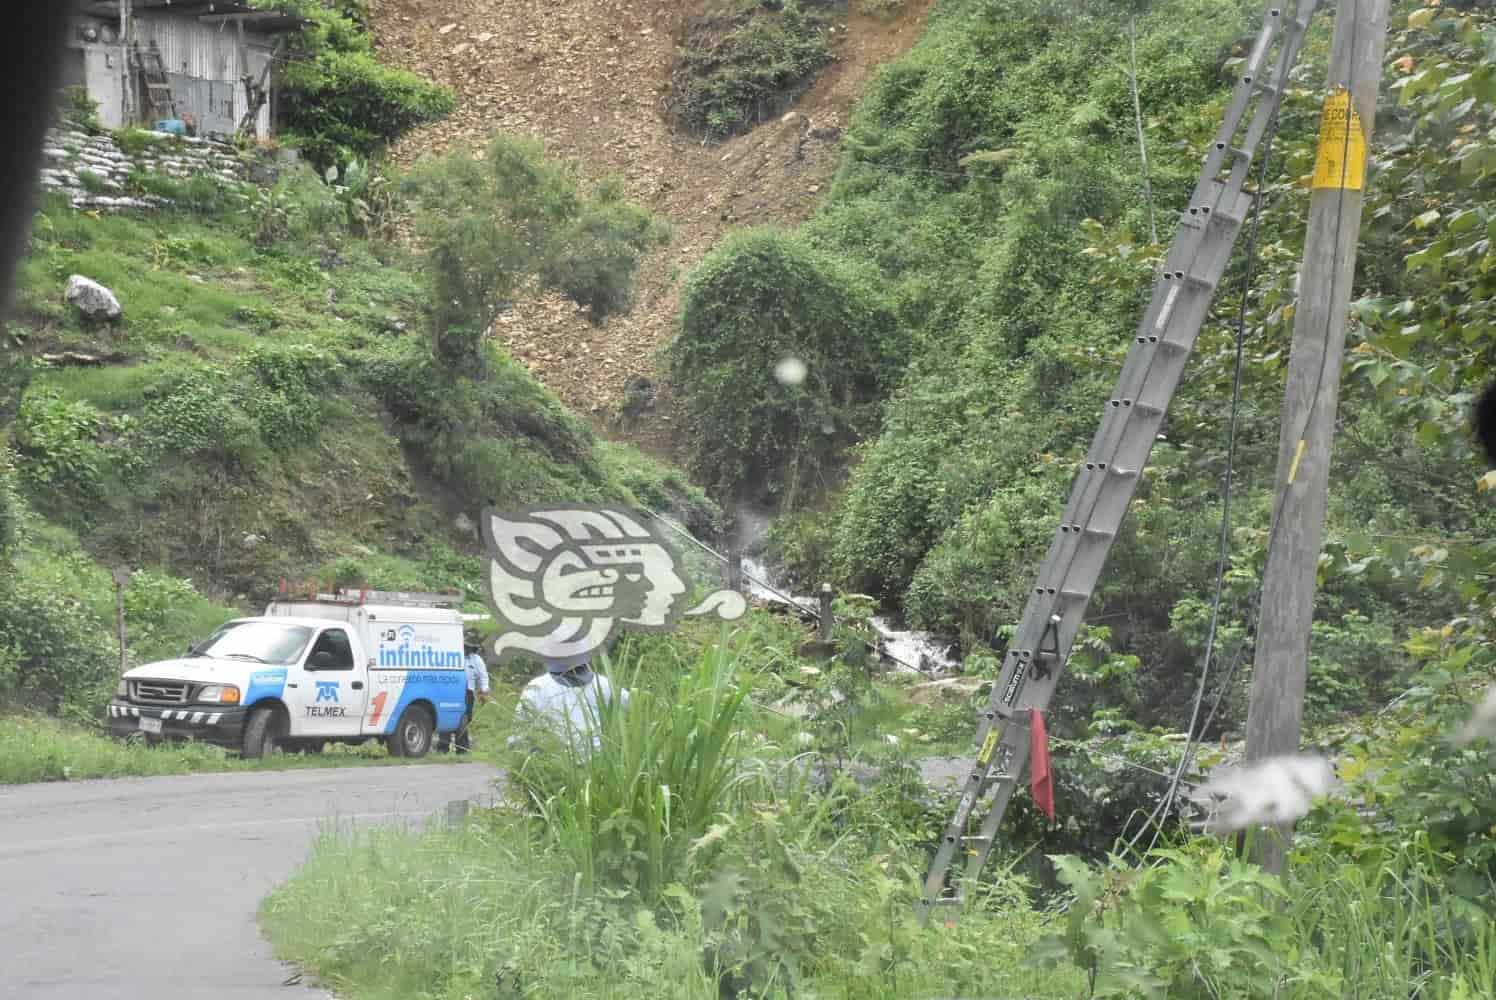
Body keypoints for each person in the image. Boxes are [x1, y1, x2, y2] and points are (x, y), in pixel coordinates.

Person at [513, 655, 628, 756]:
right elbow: (636, 704)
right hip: (598, 762)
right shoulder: (603, 683)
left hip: (557, 766)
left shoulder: (537, 687)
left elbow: (518, 731)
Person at [439, 634, 491, 754]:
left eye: (469, 647)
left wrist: (484, 691)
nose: (467, 648)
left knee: (463, 721)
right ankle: (442, 749)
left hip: (466, 693)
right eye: (465, 646)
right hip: (449, 691)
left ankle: (462, 749)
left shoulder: (476, 659)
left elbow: (483, 677)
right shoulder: (451, 654)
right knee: (446, 717)